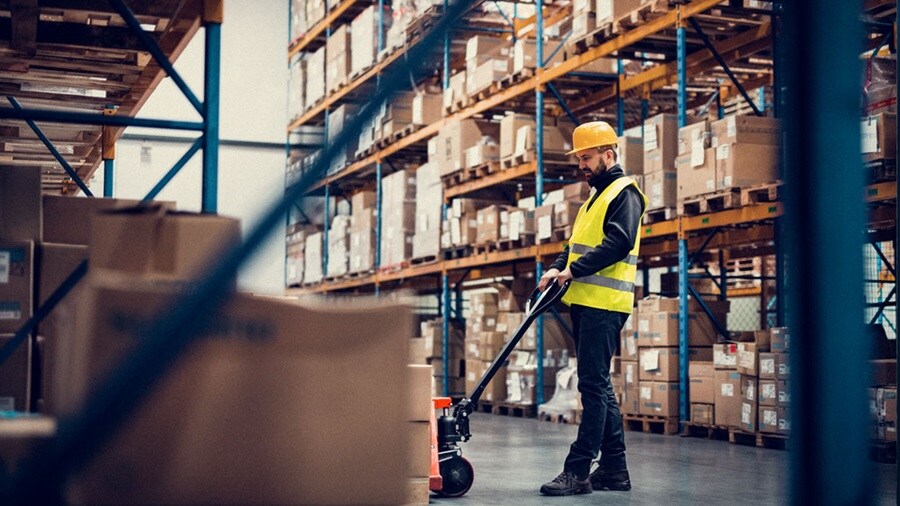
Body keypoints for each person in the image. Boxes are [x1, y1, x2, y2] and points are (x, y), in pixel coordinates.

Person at [537, 121, 647, 496]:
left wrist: (574, 270)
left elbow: (618, 242)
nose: (581, 165)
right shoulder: (593, 199)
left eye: (587, 157)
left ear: (609, 155)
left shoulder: (624, 193)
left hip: (604, 304)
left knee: (593, 386)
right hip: (584, 302)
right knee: (599, 385)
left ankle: (578, 469)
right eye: (579, 158)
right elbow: (575, 245)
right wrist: (556, 266)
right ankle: (615, 470)